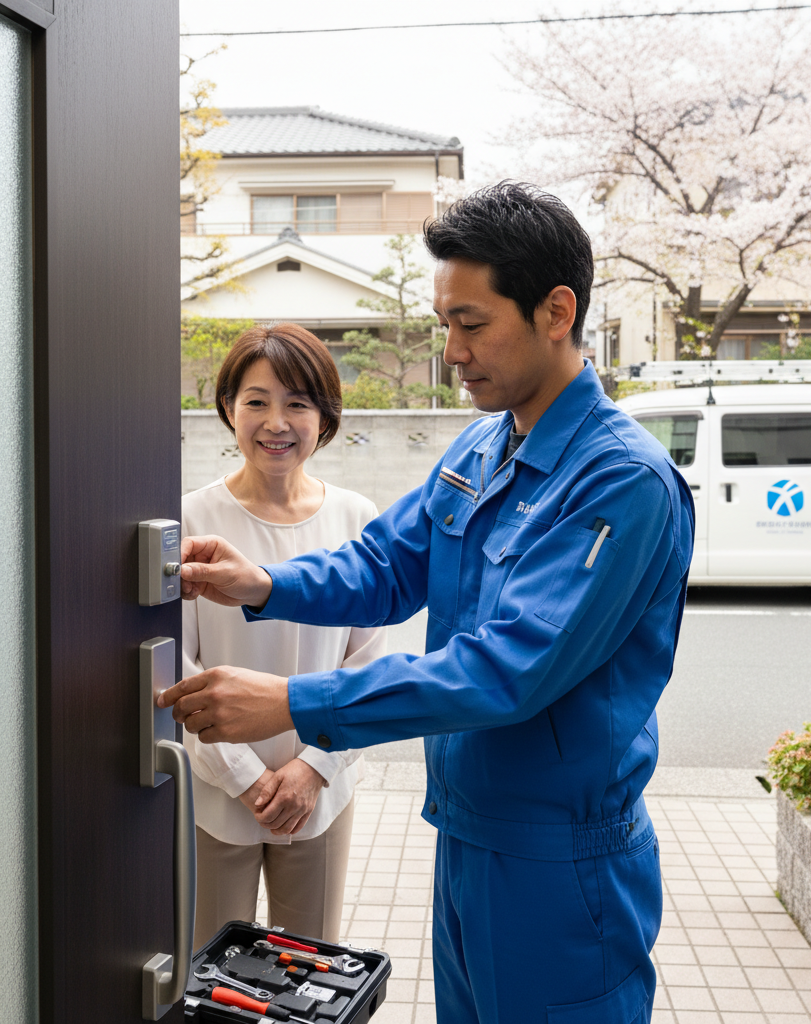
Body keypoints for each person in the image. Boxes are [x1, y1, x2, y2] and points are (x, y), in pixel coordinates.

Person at [160, 183, 695, 1023]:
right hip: (467, 836)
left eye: (470, 324)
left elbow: (502, 673)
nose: (451, 350)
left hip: (559, 864)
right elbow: (383, 566)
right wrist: (263, 584)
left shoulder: (618, 481)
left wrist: (293, 703)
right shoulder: (486, 443)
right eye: (445, 323)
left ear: (557, 311)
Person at [181, 323, 386, 950]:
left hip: (319, 792)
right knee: (211, 974)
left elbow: (369, 662)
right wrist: (243, 775)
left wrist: (311, 770)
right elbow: (177, 667)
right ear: (227, 409)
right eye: (257, 401)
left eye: (298, 403)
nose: (277, 422)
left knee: (312, 971)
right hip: (217, 792)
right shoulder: (191, 517)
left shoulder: (355, 518)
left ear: (324, 417)